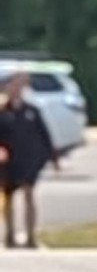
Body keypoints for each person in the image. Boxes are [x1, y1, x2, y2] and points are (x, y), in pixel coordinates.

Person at [0, 74, 50, 248]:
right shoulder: (3, 112)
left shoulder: (32, 111)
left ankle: (31, 236)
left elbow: (44, 136)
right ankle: (9, 235)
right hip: (7, 162)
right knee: (8, 198)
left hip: (28, 159)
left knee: (29, 195)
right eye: (12, 86)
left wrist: (48, 157)